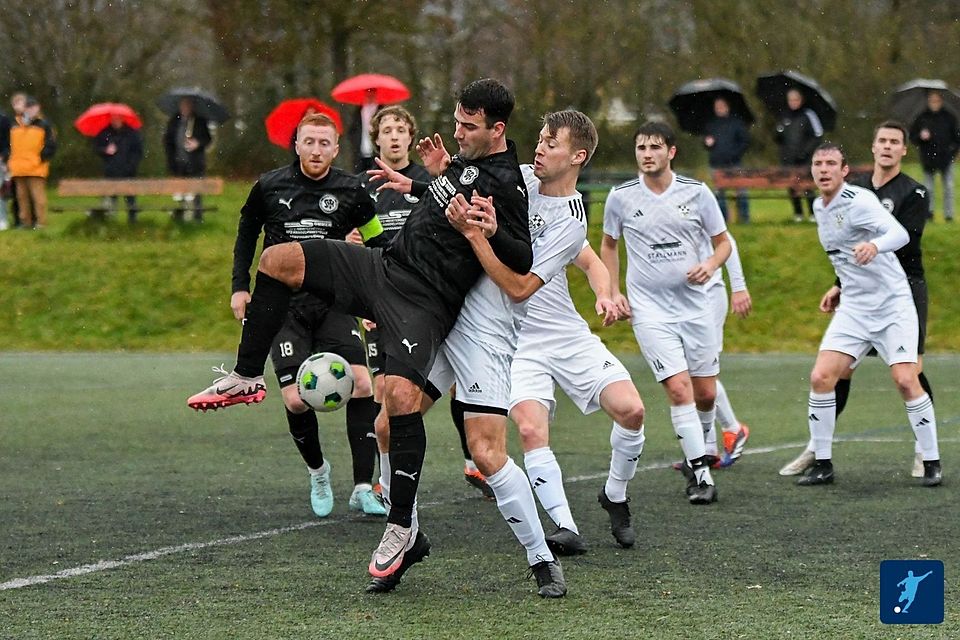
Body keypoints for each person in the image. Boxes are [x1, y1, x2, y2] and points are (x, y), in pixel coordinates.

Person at [185, 78, 531, 583]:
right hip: (381, 267)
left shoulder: (507, 183)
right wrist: (431, 178)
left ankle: (401, 528)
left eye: (468, 126)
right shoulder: (463, 163)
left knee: (400, 397)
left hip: (424, 302)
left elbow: (523, 259)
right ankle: (246, 375)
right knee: (280, 259)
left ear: (497, 129)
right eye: (456, 120)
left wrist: (492, 230)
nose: (457, 132)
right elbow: (440, 203)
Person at [365, 110, 594, 598]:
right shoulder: (520, 180)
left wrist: (477, 236)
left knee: (488, 454)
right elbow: (455, 197)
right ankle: (405, 534)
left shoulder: (570, 226)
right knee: (386, 423)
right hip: (442, 315)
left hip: (488, 335)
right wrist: (422, 178)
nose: (539, 147)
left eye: (551, 143)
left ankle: (542, 558)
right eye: (539, 137)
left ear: (578, 157)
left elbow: (516, 288)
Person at [193, 112, 386, 518]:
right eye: (308, 141)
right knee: (297, 400)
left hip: (335, 303)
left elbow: (377, 243)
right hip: (284, 308)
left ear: (336, 148)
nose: (316, 150)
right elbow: (247, 233)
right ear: (296, 144)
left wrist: (376, 301)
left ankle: (364, 486)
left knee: (364, 384)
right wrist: (240, 286)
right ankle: (318, 471)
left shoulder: (352, 190)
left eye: (324, 143)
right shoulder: (270, 186)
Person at [780, 122, 937, 482]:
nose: (886, 146)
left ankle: (924, 451)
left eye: (894, 142)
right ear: (872, 147)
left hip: (905, 286)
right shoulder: (852, 190)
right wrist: (839, 284)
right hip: (859, 292)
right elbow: (845, 247)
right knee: (834, 373)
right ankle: (819, 449)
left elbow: (905, 240)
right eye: (881, 140)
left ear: (902, 150)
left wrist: (874, 244)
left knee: (908, 374)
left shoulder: (912, 192)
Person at [601, 120, 731, 505]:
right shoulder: (621, 197)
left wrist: (709, 265)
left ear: (671, 152)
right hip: (650, 311)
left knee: (705, 393)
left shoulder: (697, 193)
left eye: (655, 147)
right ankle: (701, 473)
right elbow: (608, 246)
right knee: (679, 389)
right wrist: (613, 290)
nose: (647, 154)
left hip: (696, 307)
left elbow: (723, 244)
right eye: (641, 148)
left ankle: (700, 448)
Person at [510, 237, 644, 555]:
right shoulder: (478, 221)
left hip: (568, 335)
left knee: (632, 410)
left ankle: (615, 493)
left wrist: (605, 296)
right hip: (516, 344)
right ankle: (565, 526)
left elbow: (591, 262)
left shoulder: (554, 218)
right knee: (530, 430)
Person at [909, 90, 960, 222]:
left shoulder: (949, 117)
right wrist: (921, 137)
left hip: (946, 158)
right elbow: (912, 137)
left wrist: (952, 152)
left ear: (941, 101)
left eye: (937, 100)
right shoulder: (921, 118)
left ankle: (949, 215)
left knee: (948, 187)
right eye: (932, 100)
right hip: (928, 158)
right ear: (928, 101)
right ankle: (929, 213)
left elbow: (957, 138)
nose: (934, 103)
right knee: (928, 188)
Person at [8, 97, 56, 229]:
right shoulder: (14, 125)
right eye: (28, 108)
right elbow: (10, 145)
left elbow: (51, 145)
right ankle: (26, 223)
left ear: (38, 108)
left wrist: (40, 158)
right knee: (21, 198)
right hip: (18, 168)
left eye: (33, 107)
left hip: (36, 168)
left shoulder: (44, 125)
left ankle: (41, 223)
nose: (31, 110)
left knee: (38, 198)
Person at [776, 88, 823, 222]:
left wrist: (805, 152)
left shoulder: (808, 115)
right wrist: (778, 131)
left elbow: (817, 135)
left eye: (796, 99)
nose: (793, 102)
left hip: (805, 159)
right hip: (788, 159)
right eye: (791, 100)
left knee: (808, 186)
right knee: (792, 187)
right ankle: (798, 214)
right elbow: (778, 138)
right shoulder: (784, 116)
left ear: (801, 100)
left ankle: (813, 213)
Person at [163, 97, 212, 221]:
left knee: (196, 190)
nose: (185, 108)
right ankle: (181, 215)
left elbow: (207, 139)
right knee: (180, 191)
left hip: (195, 163)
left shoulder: (200, 121)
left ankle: (197, 217)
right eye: (183, 105)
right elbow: (167, 140)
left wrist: (197, 143)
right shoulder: (174, 121)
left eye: (188, 105)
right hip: (178, 162)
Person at [704, 97, 750, 223]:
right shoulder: (711, 124)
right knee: (719, 195)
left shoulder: (737, 123)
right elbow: (706, 143)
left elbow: (745, 142)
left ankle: (744, 218)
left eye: (721, 106)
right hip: (716, 164)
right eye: (717, 107)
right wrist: (708, 143)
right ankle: (722, 220)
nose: (719, 109)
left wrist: (734, 154)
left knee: (741, 192)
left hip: (734, 163)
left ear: (727, 107)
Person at [93, 114, 144, 223]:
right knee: (111, 197)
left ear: (122, 118)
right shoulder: (105, 132)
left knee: (130, 198)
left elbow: (138, 152)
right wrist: (105, 150)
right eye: (113, 118)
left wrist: (131, 165)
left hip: (128, 172)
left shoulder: (132, 133)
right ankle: (111, 221)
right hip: (111, 171)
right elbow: (97, 148)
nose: (115, 121)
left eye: (117, 118)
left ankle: (132, 221)